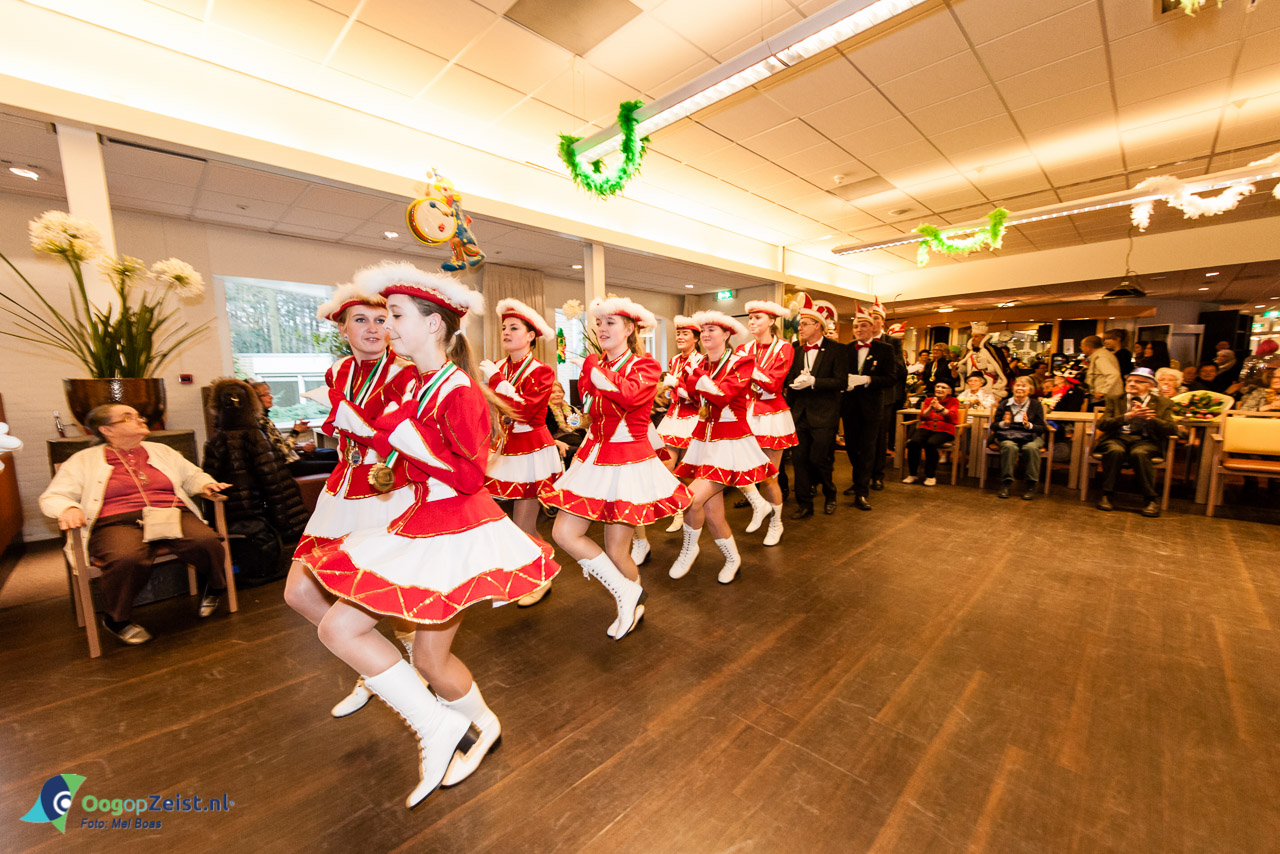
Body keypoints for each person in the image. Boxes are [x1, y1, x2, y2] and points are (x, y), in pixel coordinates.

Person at [306, 263, 560, 807]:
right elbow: (402, 447)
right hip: (420, 520)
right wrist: (366, 432)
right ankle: (465, 724)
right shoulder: (422, 382)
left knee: (401, 649)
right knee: (406, 652)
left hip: (457, 529)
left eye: (396, 315)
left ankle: (449, 726)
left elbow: (470, 477)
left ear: (435, 325)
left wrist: (398, 438)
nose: (387, 326)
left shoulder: (460, 389)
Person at [284, 284, 419, 719]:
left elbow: (391, 434)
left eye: (382, 319)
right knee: (299, 593)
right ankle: (377, 667)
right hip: (340, 489)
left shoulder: (406, 372)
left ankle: (403, 675)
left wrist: (344, 413)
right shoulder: (338, 372)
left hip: (386, 490)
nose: (373, 328)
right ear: (343, 329)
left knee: (388, 596)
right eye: (361, 320)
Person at [541, 296, 690, 639]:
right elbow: (593, 411)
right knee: (564, 533)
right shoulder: (592, 363)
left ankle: (631, 602)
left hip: (628, 462)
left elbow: (631, 397)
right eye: (600, 322)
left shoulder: (646, 365)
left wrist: (600, 372)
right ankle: (628, 593)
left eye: (611, 323)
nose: (602, 328)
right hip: (594, 457)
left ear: (629, 328)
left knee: (615, 549)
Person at [39, 404, 230, 645]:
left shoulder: (161, 451)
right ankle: (116, 619)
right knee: (125, 557)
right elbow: (52, 497)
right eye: (128, 417)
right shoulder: (83, 461)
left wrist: (206, 484)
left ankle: (214, 587)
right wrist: (68, 508)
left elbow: (192, 475)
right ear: (106, 429)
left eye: (138, 415)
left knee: (206, 541)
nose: (140, 419)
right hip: (115, 522)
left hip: (170, 514)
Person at [666, 310, 774, 582]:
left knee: (690, 499)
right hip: (704, 440)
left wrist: (695, 379)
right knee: (714, 514)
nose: (705, 334)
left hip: (730, 444)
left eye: (712, 329)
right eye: (703, 330)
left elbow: (722, 395)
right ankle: (732, 558)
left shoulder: (742, 361)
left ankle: (689, 548)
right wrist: (681, 383)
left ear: (727, 334)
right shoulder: (700, 362)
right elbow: (691, 396)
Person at [478, 298, 562, 608]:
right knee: (506, 522)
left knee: (524, 523)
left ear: (530, 336)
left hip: (530, 451)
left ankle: (542, 576)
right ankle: (522, 572)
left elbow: (525, 413)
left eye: (514, 327)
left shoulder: (541, 371)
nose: (506, 332)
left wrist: (497, 381)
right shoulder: (498, 367)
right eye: (503, 327)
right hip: (503, 449)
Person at [202, 377, 310, 583]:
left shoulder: (216, 441)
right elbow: (274, 482)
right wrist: (286, 521)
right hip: (261, 513)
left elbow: (209, 480)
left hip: (233, 512)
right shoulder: (256, 437)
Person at [737, 300, 795, 546]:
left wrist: (748, 369)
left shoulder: (785, 348)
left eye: (757, 318)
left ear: (771, 321)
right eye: (750, 318)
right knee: (739, 468)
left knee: (770, 476)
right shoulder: (744, 347)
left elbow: (773, 383)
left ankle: (776, 523)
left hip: (772, 415)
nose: (752, 322)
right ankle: (759, 505)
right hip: (747, 413)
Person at [784, 307, 849, 518]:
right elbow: (789, 378)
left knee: (819, 459)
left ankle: (830, 493)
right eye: (800, 324)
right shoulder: (796, 350)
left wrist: (814, 382)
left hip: (824, 414)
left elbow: (841, 381)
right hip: (800, 414)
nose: (800, 328)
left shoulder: (836, 350)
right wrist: (793, 385)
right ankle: (805, 504)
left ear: (817, 326)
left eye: (804, 324)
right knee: (800, 460)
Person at [1094, 367, 1177, 517]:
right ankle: (1107, 494)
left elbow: (1172, 428)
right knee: (1115, 451)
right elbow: (1102, 424)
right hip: (1117, 438)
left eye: (1138, 382)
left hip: (1145, 440)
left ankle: (1150, 499)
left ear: (1151, 385)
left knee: (1139, 453)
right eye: (1130, 380)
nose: (1132, 384)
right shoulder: (1115, 399)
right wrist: (1127, 417)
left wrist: (1150, 418)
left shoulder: (1163, 403)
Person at [840, 303, 895, 510]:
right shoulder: (846, 349)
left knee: (868, 448)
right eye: (856, 327)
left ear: (872, 327)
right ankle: (859, 479)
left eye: (863, 326)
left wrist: (867, 380)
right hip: (850, 406)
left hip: (872, 407)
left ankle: (862, 491)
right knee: (852, 448)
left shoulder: (885, 350)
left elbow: (890, 378)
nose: (859, 330)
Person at [655, 315, 702, 533]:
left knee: (689, 472)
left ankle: (693, 511)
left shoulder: (702, 361)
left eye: (685, 333)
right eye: (678, 333)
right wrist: (667, 390)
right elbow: (672, 393)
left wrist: (679, 387)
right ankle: (678, 510)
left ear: (696, 338)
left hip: (693, 419)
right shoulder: (674, 360)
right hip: (673, 418)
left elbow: (699, 397)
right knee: (666, 467)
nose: (680, 337)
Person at [251, 382, 337, 477]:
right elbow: (282, 452)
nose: (271, 397)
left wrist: (300, 446)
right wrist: (295, 432)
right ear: (255, 399)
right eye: (266, 395)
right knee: (337, 465)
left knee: (333, 453)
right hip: (288, 465)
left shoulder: (263, 419)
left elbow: (277, 446)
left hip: (291, 458)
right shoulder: (261, 422)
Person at [867, 296, 906, 492]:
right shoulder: (860, 341)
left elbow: (899, 369)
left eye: (876, 318)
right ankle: (861, 478)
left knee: (880, 438)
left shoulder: (892, 342)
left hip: (884, 397)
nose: (872, 322)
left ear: (882, 321)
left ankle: (877, 475)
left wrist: (873, 374)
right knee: (862, 439)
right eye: (870, 318)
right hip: (862, 398)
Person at [987, 376, 1048, 500]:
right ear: (1013, 388)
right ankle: (1006, 483)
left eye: (1023, 386)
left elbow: (1042, 427)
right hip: (1008, 435)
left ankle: (1031, 485)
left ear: (1030, 389)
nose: (1020, 388)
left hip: (1031, 436)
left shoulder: (1035, 405)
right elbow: (993, 425)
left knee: (1031, 448)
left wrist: (1029, 425)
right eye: (1017, 385)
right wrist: (1004, 424)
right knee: (1009, 446)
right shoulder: (1005, 403)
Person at [902, 381, 959, 487]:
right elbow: (923, 417)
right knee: (913, 442)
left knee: (931, 444)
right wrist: (930, 408)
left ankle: (930, 476)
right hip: (927, 427)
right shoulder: (929, 400)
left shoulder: (954, 401)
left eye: (943, 387)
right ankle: (912, 474)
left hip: (945, 430)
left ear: (950, 391)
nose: (939, 389)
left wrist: (940, 408)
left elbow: (952, 417)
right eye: (937, 386)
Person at [957, 323, 1009, 401]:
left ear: (983, 337)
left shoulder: (994, 350)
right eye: (972, 336)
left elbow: (1002, 369)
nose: (973, 339)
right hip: (971, 384)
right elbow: (965, 369)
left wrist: (987, 367)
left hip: (988, 383)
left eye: (976, 336)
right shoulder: (969, 352)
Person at [1082, 335, 1121, 404]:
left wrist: (1103, 391)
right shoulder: (1102, 354)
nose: (1082, 349)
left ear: (1088, 347)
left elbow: (1113, 374)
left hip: (1105, 399)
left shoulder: (1101, 357)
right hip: (1104, 397)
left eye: (1082, 346)